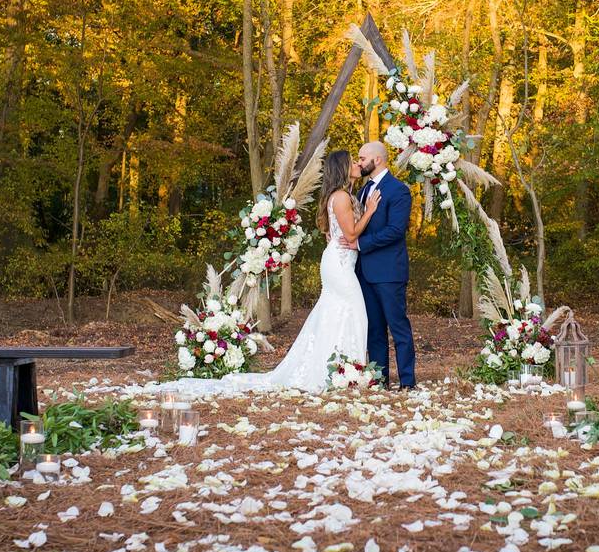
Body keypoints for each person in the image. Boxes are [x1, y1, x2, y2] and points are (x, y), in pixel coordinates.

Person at [151, 150, 381, 395]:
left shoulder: (342, 195)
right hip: (340, 264)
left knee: (336, 313)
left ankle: (340, 369)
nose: (358, 164)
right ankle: (342, 369)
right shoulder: (342, 197)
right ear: (343, 168)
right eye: (353, 162)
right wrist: (370, 210)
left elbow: (337, 232)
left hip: (339, 261)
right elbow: (351, 234)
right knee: (354, 311)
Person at [340, 141, 417, 390]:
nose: (359, 162)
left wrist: (360, 244)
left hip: (389, 272)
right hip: (364, 272)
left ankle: (407, 381)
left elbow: (395, 231)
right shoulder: (362, 190)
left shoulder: (398, 191)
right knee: (374, 329)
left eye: (362, 158)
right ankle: (380, 380)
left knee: (398, 327)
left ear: (378, 160)